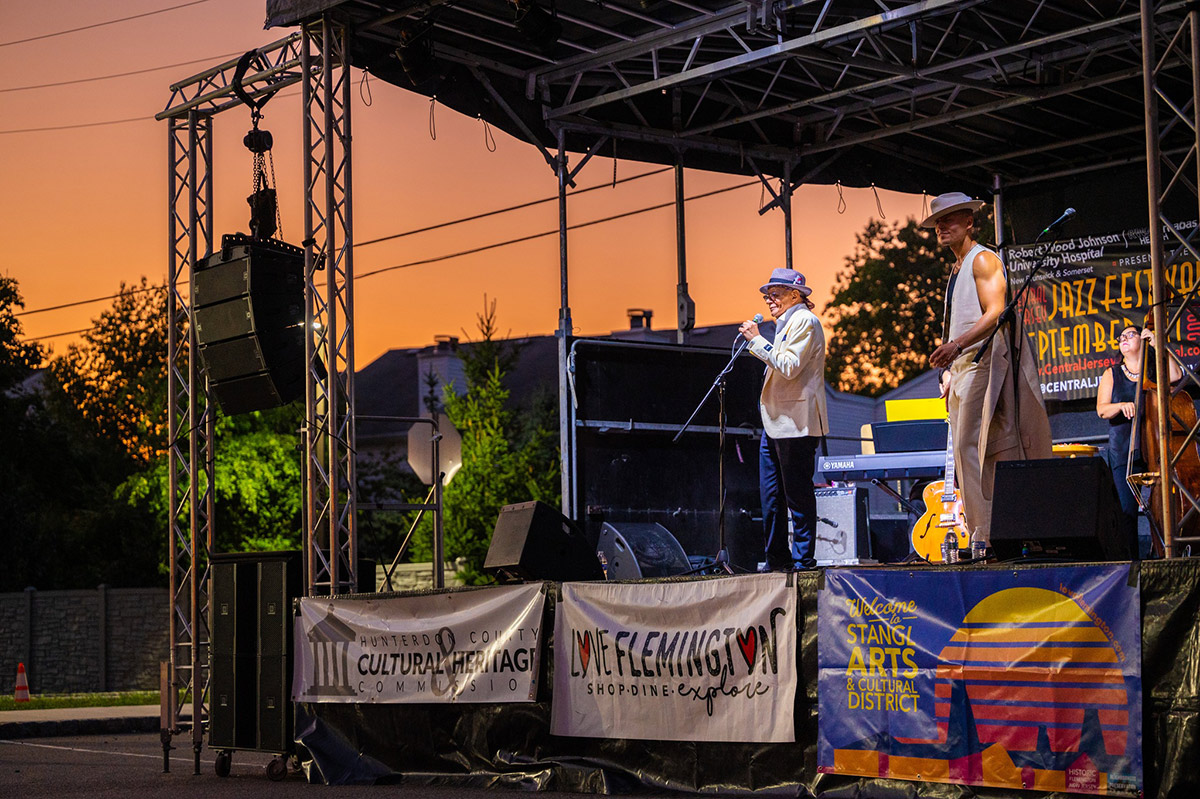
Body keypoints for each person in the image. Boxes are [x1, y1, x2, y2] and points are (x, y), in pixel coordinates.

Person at [925, 192, 1052, 542]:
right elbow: (960, 318)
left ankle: (990, 534)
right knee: (972, 452)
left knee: (975, 448)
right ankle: (989, 532)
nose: (941, 226)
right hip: (964, 367)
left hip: (982, 363)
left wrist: (956, 346)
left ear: (969, 221)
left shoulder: (982, 260)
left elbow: (996, 310)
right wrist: (949, 370)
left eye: (949, 219)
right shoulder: (957, 266)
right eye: (938, 221)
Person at [739, 268, 829, 570]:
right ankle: (777, 558)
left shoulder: (805, 321)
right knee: (772, 496)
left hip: (796, 423)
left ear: (796, 294)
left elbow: (789, 366)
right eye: (768, 294)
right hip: (777, 422)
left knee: (797, 494)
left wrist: (757, 340)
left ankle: (803, 560)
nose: (769, 300)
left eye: (775, 293)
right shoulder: (786, 324)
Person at [1095, 323, 1180, 556]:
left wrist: (1157, 343)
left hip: (1154, 448)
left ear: (1141, 342)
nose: (1124, 339)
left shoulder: (1153, 371)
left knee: (1165, 510)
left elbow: (1176, 374)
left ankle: (1165, 555)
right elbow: (1101, 410)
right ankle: (1132, 569)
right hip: (1124, 449)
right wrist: (1120, 405)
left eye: (1130, 334)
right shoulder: (1111, 374)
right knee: (1126, 513)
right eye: (1121, 337)